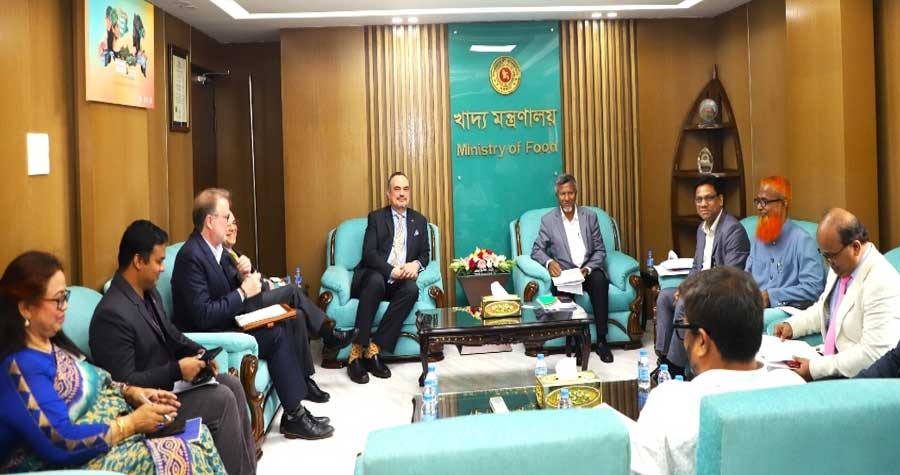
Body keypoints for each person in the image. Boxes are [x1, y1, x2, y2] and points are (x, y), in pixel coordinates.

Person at [0, 251, 225, 473]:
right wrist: (132, 423)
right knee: (181, 453)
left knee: (200, 437)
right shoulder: (21, 367)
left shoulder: (52, 342)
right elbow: (61, 442)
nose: (65, 306)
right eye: (58, 300)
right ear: (25, 308)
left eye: (65, 297)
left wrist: (131, 392)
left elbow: (99, 380)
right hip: (70, 462)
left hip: (111, 438)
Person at [90, 220, 257, 474]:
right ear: (138, 261)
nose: (163, 268)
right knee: (221, 400)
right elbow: (124, 383)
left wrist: (199, 353)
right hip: (148, 408)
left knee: (231, 384)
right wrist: (177, 370)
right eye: (158, 261)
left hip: (170, 389)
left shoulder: (148, 293)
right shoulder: (111, 314)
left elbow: (172, 335)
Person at [171, 188, 336, 440]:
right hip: (217, 334)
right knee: (278, 334)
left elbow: (225, 289)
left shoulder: (216, 251)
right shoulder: (191, 256)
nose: (230, 223)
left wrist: (241, 276)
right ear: (210, 221)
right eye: (226, 217)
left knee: (287, 320)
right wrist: (242, 292)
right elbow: (203, 315)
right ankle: (295, 416)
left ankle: (295, 413)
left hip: (233, 320)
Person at [628, 266, 805, 475]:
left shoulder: (669, 403)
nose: (684, 341)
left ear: (702, 341)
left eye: (685, 328)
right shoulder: (794, 388)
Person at [773, 209, 900, 380]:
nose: (828, 263)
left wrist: (815, 368)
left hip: (855, 378)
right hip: (828, 360)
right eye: (824, 255)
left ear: (855, 247)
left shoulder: (882, 281)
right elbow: (826, 309)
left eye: (831, 256)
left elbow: (873, 354)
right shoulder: (841, 266)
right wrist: (792, 326)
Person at [654, 177, 750, 377]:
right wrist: (685, 286)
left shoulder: (733, 230)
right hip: (703, 291)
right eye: (699, 199)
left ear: (721, 200)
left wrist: (693, 290)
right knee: (665, 297)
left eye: (709, 198)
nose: (703, 204)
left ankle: (675, 368)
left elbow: (730, 275)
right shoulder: (702, 229)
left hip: (724, 295)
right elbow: (697, 266)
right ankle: (663, 358)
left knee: (685, 303)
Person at [347, 172, 430, 384]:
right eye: (397, 189)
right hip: (375, 276)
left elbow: (425, 254)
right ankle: (355, 353)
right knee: (375, 281)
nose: (402, 194)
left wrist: (415, 265)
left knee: (411, 289)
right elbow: (369, 254)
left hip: (399, 281)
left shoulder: (420, 221)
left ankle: (374, 350)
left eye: (405, 189)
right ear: (388, 193)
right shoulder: (376, 218)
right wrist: (391, 270)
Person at [531, 174, 614, 363]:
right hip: (565, 273)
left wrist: (588, 269)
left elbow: (600, 250)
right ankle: (578, 344)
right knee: (561, 290)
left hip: (587, 271)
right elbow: (536, 250)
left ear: (576, 193)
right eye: (562, 194)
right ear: (557, 196)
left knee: (601, 282)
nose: (567, 198)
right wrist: (549, 263)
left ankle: (602, 341)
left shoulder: (589, 217)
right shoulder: (548, 221)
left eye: (570, 193)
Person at [745, 176, 825, 309]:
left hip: (784, 311)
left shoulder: (803, 241)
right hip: (753, 308)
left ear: (784, 203)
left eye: (764, 201)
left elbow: (814, 288)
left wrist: (771, 296)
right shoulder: (758, 238)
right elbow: (746, 277)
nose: (759, 207)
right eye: (757, 201)